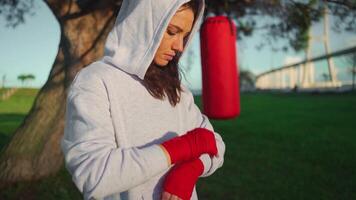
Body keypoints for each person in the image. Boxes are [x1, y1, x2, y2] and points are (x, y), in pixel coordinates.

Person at [61, 0, 226, 199]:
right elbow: (92, 173)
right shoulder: (96, 80)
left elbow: (215, 144)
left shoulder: (176, 90)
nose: (180, 46)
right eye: (172, 32)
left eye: (185, 35)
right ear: (144, 23)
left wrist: (192, 168)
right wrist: (179, 149)